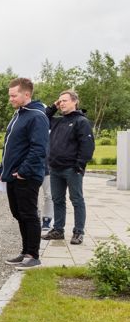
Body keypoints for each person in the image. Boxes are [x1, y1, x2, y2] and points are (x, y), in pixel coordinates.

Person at [0, 78, 49, 270]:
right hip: (13, 174)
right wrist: (1, 169)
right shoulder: (19, 114)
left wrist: (23, 171)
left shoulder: (37, 116)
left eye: (13, 95)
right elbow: (10, 146)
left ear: (26, 94)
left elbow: (39, 148)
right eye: (10, 95)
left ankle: (33, 255)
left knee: (28, 214)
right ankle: (25, 251)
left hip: (26, 176)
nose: (10, 98)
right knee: (18, 213)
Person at [41, 90, 95, 244]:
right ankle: (58, 230)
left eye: (64, 100)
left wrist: (79, 166)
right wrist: (53, 107)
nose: (62, 103)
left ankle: (78, 232)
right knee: (57, 200)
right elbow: (42, 118)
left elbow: (87, 146)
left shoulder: (81, 121)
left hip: (72, 169)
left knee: (76, 200)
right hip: (55, 168)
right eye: (60, 101)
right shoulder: (57, 120)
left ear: (74, 102)